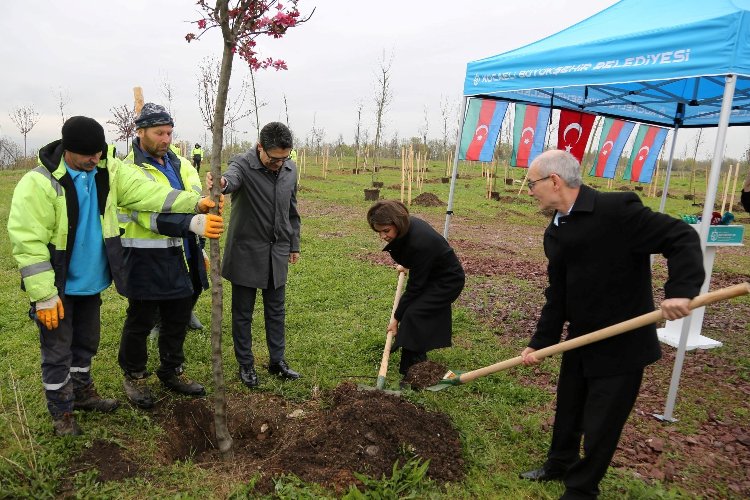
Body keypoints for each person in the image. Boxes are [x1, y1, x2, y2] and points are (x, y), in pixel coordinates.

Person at [7, 116, 218, 436]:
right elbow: (28, 242)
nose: (95, 159)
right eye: (88, 155)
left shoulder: (108, 170)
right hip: (57, 285)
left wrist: (194, 203)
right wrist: (44, 296)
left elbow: (147, 193)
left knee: (86, 342)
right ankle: (61, 411)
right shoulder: (38, 183)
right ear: (68, 150)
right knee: (57, 350)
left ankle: (81, 392)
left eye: (98, 153)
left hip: (90, 283)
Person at [518, 150, 705, 499]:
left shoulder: (616, 211)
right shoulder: (556, 230)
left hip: (623, 342)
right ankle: (559, 462)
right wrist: (540, 342)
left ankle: (582, 487)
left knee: (602, 422)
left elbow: (681, 237)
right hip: (580, 338)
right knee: (570, 407)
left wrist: (681, 290)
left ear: (554, 181)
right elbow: (557, 293)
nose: (530, 191)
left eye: (532, 184)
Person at [117, 104, 224, 409]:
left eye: (169, 132)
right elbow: (143, 214)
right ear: (141, 133)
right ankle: (135, 375)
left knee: (178, 315)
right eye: (158, 133)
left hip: (184, 252)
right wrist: (192, 220)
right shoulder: (130, 170)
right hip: (145, 256)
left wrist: (210, 202)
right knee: (141, 318)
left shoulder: (180, 162)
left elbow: (195, 196)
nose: (166, 138)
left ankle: (171, 369)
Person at [208, 121, 301, 388]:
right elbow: (230, 180)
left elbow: (292, 211)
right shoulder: (243, 164)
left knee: (276, 310)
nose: (279, 164)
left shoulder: (290, 169)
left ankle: (277, 360)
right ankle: (245, 364)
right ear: (260, 148)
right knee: (243, 313)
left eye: (285, 158)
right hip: (246, 252)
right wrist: (221, 183)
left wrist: (293, 244)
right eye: (274, 159)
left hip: (278, 252)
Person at [366, 200, 465, 382]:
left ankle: (413, 369)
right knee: (416, 317)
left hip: (447, 281)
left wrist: (396, 318)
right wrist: (408, 265)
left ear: (398, 223)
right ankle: (415, 366)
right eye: (379, 231)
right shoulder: (407, 229)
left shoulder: (420, 241)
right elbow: (416, 258)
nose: (382, 236)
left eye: (386, 230)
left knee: (414, 315)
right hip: (431, 274)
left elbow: (415, 288)